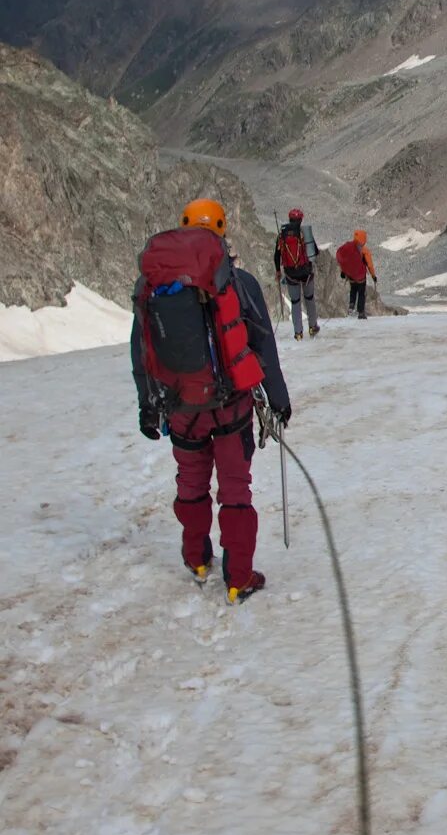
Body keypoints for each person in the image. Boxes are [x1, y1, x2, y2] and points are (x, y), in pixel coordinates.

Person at [132, 198, 292, 605]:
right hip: (230, 406)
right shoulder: (238, 282)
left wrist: (147, 405)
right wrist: (278, 399)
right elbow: (263, 345)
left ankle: (197, 559)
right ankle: (239, 577)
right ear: (221, 232)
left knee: (191, 482)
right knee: (235, 488)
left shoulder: (153, 288)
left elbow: (142, 350)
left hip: (179, 407)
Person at [274, 207, 320, 340]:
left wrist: (278, 271)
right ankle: (312, 327)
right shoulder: (304, 233)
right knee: (309, 299)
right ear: (300, 220)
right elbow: (314, 252)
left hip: (290, 273)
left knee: (295, 302)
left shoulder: (282, 234)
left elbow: (276, 255)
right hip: (306, 272)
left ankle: (298, 333)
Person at [335, 229, 377, 319]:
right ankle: (361, 312)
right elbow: (369, 264)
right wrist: (373, 276)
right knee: (361, 293)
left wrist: (343, 272)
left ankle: (351, 306)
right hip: (361, 277)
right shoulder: (364, 250)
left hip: (351, 276)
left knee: (353, 290)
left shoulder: (350, 247)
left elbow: (345, 261)